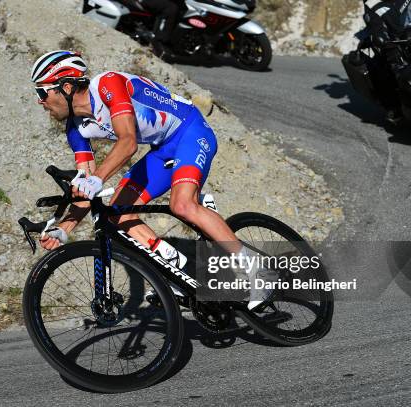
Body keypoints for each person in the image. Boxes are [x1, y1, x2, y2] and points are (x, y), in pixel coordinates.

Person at [31, 50, 275, 311]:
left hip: (189, 130)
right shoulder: (75, 129)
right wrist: (64, 228)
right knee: (117, 214)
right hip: (162, 150)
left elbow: (128, 142)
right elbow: (86, 185)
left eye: (42, 92)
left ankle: (259, 271)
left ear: (65, 87)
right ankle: (176, 271)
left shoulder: (108, 85)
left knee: (181, 205)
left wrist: (97, 179)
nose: (40, 101)